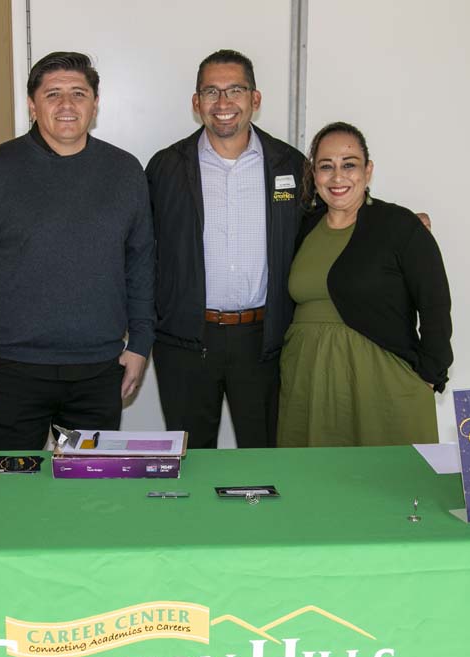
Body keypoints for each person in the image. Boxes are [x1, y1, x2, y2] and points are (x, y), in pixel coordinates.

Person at [0, 52, 155, 450]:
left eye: (79, 93)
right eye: (53, 94)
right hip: (13, 371)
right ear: (32, 105)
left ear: (95, 103)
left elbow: (141, 265)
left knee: (88, 499)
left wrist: (140, 343)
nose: (67, 105)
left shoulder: (125, 172)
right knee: (10, 495)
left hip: (97, 371)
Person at [146, 49, 307, 449]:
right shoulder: (165, 167)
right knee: (192, 461)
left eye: (235, 89)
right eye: (211, 91)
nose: (223, 103)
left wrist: (392, 218)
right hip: (186, 341)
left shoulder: (289, 165)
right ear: (196, 102)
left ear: (255, 98)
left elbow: (334, 217)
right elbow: (140, 251)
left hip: (264, 341)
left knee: (266, 458)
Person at [277, 122, 452, 447]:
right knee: (315, 485)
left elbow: (435, 305)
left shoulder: (400, 226)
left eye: (349, 165)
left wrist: (430, 374)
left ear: (368, 171)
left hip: (378, 385)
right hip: (309, 383)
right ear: (314, 175)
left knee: (384, 487)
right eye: (325, 166)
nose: (337, 177)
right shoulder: (302, 227)